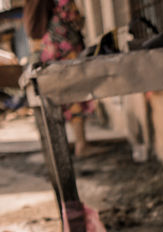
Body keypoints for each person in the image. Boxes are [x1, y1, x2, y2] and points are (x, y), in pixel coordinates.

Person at [24, 0, 95, 156]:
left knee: (63, 97)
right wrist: (80, 19)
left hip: (49, 48)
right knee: (75, 94)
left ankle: (69, 147)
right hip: (65, 48)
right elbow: (72, 16)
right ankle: (81, 145)